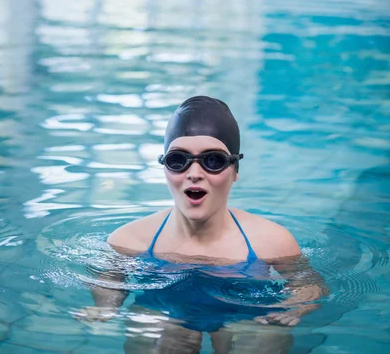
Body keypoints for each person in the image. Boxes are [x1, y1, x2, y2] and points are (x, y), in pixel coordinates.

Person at [77, 96, 327, 353]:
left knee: (263, 337)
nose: (194, 173)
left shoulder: (271, 240)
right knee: (154, 331)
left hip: (245, 315)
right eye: (178, 160)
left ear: (235, 170)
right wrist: (106, 306)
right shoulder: (130, 238)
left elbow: (308, 284)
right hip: (162, 309)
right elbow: (110, 277)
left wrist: (295, 306)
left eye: (213, 161)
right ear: (164, 168)